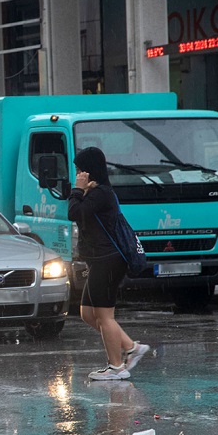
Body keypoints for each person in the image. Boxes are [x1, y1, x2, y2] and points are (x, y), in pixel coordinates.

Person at [67, 146, 150, 380]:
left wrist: (77, 189)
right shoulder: (94, 192)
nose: (77, 173)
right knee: (86, 313)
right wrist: (80, 190)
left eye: (79, 169)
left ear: (89, 170)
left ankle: (117, 368)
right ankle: (132, 348)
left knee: (105, 317)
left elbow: (74, 212)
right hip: (98, 261)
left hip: (109, 261)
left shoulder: (100, 194)